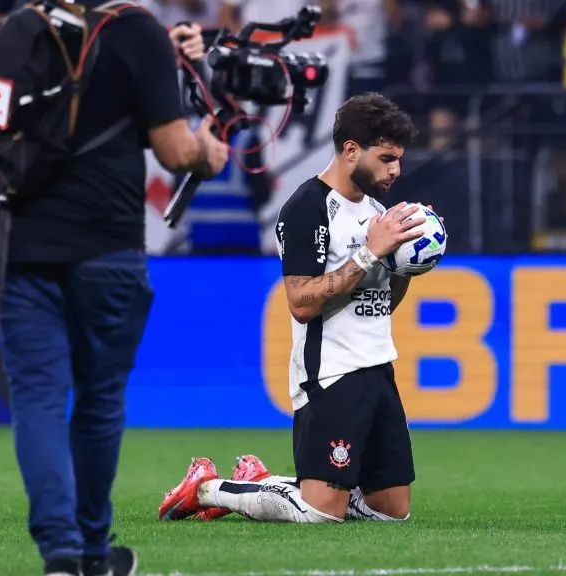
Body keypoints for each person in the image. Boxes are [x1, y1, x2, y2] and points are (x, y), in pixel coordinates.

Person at [0, 7, 229, 576]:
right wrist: (206, 150)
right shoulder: (132, 30)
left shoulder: (14, 33)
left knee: (39, 402)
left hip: (21, 249)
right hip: (108, 249)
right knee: (97, 405)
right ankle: (93, 551)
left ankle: (61, 554)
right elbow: (174, 151)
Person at [157, 93, 431, 524]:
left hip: (379, 369)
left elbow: (384, 305)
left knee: (392, 513)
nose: (396, 169)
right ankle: (210, 488)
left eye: (399, 158)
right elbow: (302, 303)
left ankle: (273, 482)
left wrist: (408, 265)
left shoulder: (379, 212)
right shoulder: (308, 208)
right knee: (321, 515)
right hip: (331, 373)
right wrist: (369, 254)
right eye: (387, 158)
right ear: (351, 150)